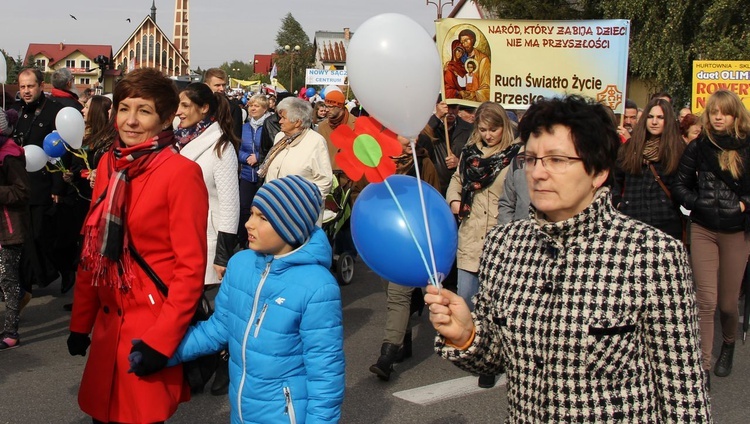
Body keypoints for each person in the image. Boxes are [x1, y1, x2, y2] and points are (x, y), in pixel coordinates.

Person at [426, 95, 711, 421]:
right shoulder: (504, 246)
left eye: (557, 160)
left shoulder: (653, 256)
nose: (538, 173)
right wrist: (467, 336)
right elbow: (498, 358)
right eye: (531, 159)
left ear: (599, 171)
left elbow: (684, 395)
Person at [67, 68, 209, 424]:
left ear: (164, 119)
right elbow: (93, 249)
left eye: (143, 111)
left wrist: (162, 341)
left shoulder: (180, 173)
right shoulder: (108, 163)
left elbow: (190, 268)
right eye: (124, 108)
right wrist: (80, 322)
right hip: (106, 326)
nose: (130, 121)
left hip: (148, 328)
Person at [168, 175, 345, 423]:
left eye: (262, 218)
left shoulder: (317, 287)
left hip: (286, 415)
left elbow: (325, 373)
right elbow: (219, 327)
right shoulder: (240, 264)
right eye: (251, 214)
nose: (249, 224)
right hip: (242, 412)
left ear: (290, 226)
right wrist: (163, 350)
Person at [673, 89, 750, 380]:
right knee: (705, 300)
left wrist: (742, 204)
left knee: (728, 304)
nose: (718, 117)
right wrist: (696, 203)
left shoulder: (747, 146)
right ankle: (703, 364)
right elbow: (680, 185)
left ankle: (728, 344)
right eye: (713, 112)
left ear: (734, 115)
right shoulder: (699, 145)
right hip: (703, 228)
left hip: (736, 231)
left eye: (724, 112)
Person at [446, 102, 520, 388]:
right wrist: (454, 198)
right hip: (470, 232)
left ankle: (491, 359)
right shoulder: (470, 152)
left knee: (494, 302)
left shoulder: (516, 155)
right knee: (466, 297)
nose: (488, 135)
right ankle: (475, 349)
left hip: (499, 235)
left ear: (504, 126)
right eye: (483, 129)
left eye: (494, 129)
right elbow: (457, 180)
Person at [368, 134, 440, 381]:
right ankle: (404, 341)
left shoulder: (423, 165)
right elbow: (365, 194)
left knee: (398, 297)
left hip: (411, 242)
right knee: (390, 292)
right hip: (383, 239)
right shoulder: (378, 162)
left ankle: (386, 356)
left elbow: (433, 201)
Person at [11, 68, 64, 295]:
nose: (26, 91)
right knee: (21, 236)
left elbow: (60, 152)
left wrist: (57, 186)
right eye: (22, 87)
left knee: (38, 234)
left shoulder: (53, 111)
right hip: (17, 184)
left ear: (41, 86)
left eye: (30, 86)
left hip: (42, 184)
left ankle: (54, 271)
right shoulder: (15, 112)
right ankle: (24, 281)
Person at [613, 98, 685, 241]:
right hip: (632, 221)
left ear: (668, 121)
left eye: (660, 117)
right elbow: (615, 179)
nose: (654, 122)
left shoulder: (678, 149)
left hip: (665, 223)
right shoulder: (630, 147)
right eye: (650, 117)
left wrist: (672, 206)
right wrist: (618, 202)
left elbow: (684, 185)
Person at [257, 97, 333, 206]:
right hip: (273, 205)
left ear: (297, 122)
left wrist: (304, 204)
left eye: (283, 118)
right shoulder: (280, 137)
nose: (280, 121)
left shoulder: (316, 142)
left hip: (299, 211)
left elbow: (324, 182)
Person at [0, 107, 30, 350]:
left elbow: (22, 191)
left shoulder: (8, 155)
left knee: (8, 281)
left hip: (8, 230)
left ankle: (11, 333)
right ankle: (20, 294)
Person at [238, 94, 272, 247]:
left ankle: (261, 239)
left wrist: (258, 157)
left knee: (261, 209)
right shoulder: (243, 127)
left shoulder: (269, 126)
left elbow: (273, 148)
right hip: (246, 174)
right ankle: (245, 240)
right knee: (244, 207)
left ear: (265, 109)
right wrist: (246, 158)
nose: (252, 108)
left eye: (256, 106)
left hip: (262, 175)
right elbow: (236, 148)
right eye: (251, 105)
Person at [317, 90, 356, 171]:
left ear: (340, 106)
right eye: (326, 106)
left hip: (352, 178)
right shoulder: (322, 126)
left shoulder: (356, 124)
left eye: (330, 107)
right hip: (330, 177)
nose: (327, 110)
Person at [204, 68, 243, 139]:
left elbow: (235, 138)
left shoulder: (233, 109)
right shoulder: (199, 106)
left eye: (223, 85)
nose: (221, 89)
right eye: (217, 85)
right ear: (207, 86)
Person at [457, 29, 490, 102]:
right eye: (462, 42)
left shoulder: (483, 60)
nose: (464, 44)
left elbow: (486, 87)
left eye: (466, 40)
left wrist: (474, 94)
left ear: (473, 40)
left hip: (475, 104)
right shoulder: (460, 59)